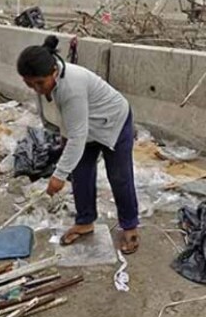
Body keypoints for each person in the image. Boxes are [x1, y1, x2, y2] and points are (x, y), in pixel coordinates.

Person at [16, 36, 140, 254]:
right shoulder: (52, 83)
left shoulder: (70, 86)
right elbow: (69, 120)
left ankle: (130, 226)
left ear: (54, 71)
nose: (36, 89)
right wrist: (65, 142)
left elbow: (77, 136)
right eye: (30, 84)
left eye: (39, 83)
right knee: (81, 174)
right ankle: (85, 221)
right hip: (86, 125)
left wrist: (58, 175)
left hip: (113, 122)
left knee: (120, 177)